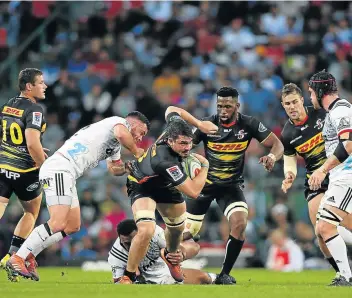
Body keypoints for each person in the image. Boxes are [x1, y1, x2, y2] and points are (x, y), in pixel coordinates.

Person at [6, 111, 150, 281]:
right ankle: (17, 257)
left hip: (67, 174)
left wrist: (129, 168)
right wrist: (137, 151)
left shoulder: (115, 143)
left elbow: (114, 168)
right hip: (60, 168)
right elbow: (121, 133)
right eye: (142, 132)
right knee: (57, 222)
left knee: (72, 225)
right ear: (134, 124)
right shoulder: (118, 123)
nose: (141, 138)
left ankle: (29, 254)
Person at [172, 86, 284, 284]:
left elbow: (277, 144)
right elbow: (184, 145)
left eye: (228, 106)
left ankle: (224, 274)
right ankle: (153, 265)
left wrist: (272, 156)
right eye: (219, 105)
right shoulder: (206, 125)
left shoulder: (249, 124)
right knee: (184, 235)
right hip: (203, 186)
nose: (223, 110)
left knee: (240, 224)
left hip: (230, 186)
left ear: (237, 106)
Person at [117, 110, 217, 284]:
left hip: (167, 186)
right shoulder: (165, 161)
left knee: (177, 229)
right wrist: (205, 165)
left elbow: (172, 109)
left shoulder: (175, 128)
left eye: (190, 143)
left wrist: (199, 124)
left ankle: (170, 256)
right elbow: (193, 192)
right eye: (183, 144)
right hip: (142, 185)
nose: (187, 147)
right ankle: (129, 275)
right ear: (170, 141)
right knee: (146, 229)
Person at [280, 83, 352, 279]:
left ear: (302, 100)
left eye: (295, 101)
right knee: (320, 232)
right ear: (283, 105)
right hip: (316, 180)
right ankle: (342, 274)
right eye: (287, 104)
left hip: (338, 171)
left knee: (340, 223)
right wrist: (289, 175)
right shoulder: (287, 133)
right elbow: (290, 160)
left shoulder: (322, 114)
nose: (292, 106)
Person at [0, 68, 48, 282]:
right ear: (29, 86)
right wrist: (43, 165)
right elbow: (31, 143)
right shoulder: (35, 110)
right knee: (31, 212)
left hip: (2, 168)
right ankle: (12, 255)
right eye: (41, 82)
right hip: (25, 172)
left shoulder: (7, 105)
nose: (44, 86)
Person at [308, 70, 352, 286]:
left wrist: (322, 170)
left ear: (319, 91)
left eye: (310, 92)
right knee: (324, 227)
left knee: (325, 226)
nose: (310, 97)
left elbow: (349, 144)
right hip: (340, 176)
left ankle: (346, 276)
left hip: (347, 176)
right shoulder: (334, 111)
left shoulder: (341, 110)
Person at [108, 219, 217, 284]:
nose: (130, 246)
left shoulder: (154, 232)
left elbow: (178, 245)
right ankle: (215, 278)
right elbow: (118, 281)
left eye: (133, 241)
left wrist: (178, 254)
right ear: (119, 238)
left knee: (194, 249)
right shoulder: (116, 254)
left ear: (140, 234)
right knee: (202, 277)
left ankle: (216, 278)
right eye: (126, 243)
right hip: (147, 278)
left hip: (161, 266)